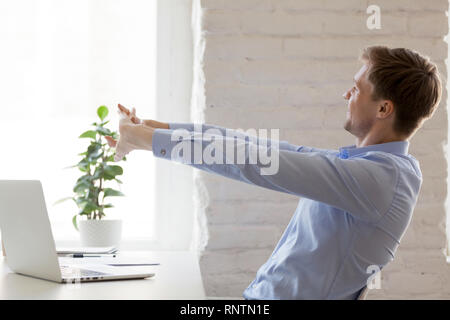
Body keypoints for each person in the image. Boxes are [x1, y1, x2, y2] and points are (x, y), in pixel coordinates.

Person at [105, 46, 442, 299]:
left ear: (384, 108)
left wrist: (147, 140)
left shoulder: (380, 179)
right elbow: (256, 147)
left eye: (356, 89)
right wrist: (156, 129)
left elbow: (258, 163)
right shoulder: (367, 167)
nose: (346, 94)